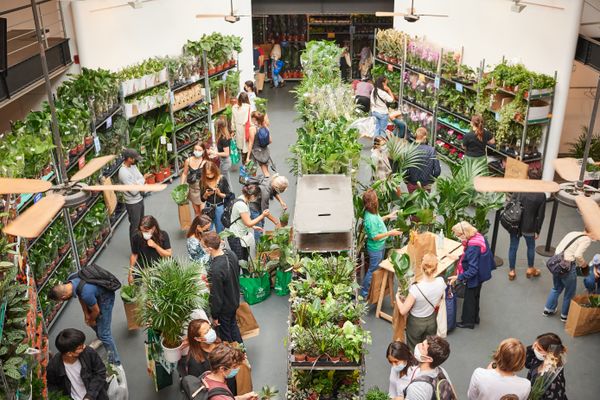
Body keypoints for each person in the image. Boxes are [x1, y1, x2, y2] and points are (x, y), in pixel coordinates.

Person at [49, 273, 121, 366]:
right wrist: (86, 314)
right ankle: (100, 337)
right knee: (91, 321)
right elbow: (80, 294)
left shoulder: (86, 293)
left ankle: (116, 362)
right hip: (94, 295)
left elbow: (96, 311)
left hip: (106, 298)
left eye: (60, 300)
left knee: (105, 334)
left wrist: (91, 319)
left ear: (63, 297)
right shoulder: (71, 279)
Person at [448, 221, 494, 329]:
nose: (457, 237)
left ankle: (467, 322)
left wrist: (458, 277)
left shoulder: (473, 247)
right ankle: (475, 318)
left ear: (464, 233)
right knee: (475, 296)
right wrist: (459, 257)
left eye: (458, 235)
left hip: (475, 277)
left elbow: (473, 269)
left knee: (469, 299)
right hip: (482, 273)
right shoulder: (478, 237)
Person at [395, 254, 446, 350]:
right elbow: (440, 299)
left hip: (415, 322)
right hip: (432, 320)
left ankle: (414, 364)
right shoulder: (441, 282)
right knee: (427, 348)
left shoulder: (416, 289)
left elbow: (403, 311)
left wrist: (397, 297)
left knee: (413, 348)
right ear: (435, 269)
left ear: (421, 267)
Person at [360, 189, 402, 298]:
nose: (377, 199)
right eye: (376, 198)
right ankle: (364, 293)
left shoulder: (371, 212)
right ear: (373, 202)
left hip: (379, 246)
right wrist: (390, 233)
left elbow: (377, 221)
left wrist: (387, 216)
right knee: (373, 270)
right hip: (375, 248)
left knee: (375, 268)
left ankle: (371, 290)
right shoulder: (369, 219)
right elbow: (374, 237)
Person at [544, 230, 593, 321]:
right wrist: (584, 265)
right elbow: (578, 255)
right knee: (570, 292)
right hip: (568, 267)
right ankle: (564, 315)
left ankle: (548, 309)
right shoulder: (586, 239)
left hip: (557, 263)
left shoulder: (573, 233)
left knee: (556, 288)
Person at [178, 319, 238, 394]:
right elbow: (199, 388)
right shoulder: (194, 363)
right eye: (206, 332)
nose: (211, 332)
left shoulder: (217, 341)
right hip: (217, 393)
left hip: (229, 385)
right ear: (198, 339)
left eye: (210, 328)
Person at [203, 232, 243, 343]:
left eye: (204, 247)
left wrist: (214, 316)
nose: (204, 249)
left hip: (224, 307)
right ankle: (241, 352)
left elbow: (216, 296)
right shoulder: (231, 254)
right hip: (234, 299)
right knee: (233, 327)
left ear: (210, 249)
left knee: (226, 334)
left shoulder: (215, 269)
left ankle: (231, 356)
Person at [47, 329, 108, 400]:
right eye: (80, 347)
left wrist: (89, 396)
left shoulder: (88, 352)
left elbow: (100, 372)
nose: (84, 346)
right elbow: (52, 385)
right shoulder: (54, 366)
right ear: (69, 353)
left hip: (97, 396)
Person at [507, 171, 547, 281]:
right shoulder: (541, 195)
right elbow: (541, 215)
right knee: (530, 247)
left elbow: (510, 204)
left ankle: (511, 271)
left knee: (513, 247)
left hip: (515, 224)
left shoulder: (520, 189)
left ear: (528, 178)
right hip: (530, 226)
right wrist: (538, 230)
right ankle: (530, 268)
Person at [118, 148, 150, 250]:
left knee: (141, 224)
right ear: (129, 159)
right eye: (134, 159)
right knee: (135, 227)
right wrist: (141, 180)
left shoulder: (133, 166)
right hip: (132, 204)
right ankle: (135, 250)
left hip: (139, 200)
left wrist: (138, 182)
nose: (136, 161)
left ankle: (141, 245)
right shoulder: (123, 173)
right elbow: (134, 191)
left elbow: (139, 177)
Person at [229, 184, 270, 261]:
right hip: (236, 237)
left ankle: (246, 273)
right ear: (252, 196)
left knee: (245, 259)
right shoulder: (241, 205)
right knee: (240, 261)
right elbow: (248, 223)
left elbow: (243, 219)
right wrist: (263, 215)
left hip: (242, 235)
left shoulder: (243, 199)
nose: (257, 198)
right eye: (257, 196)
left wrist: (253, 227)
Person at [129, 215, 172, 283]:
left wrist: (155, 246)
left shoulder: (163, 235)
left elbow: (168, 254)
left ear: (153, 228)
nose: (143, 234)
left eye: (146, 231)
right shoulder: (137, 237)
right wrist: (130, 274)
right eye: (142, 231)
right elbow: (134, 255)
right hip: (144, 270)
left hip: (161, 268)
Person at [525, 333, 568, 400]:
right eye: (535, 344)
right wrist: (535, 346)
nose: (534, 348)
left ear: (550, 353)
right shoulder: (539, 358)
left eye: (539, 349)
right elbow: (527, 362)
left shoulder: (554, 381)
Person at [248, 174, 289, 242]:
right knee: (259, 227)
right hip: (254, 205)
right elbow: (265, 211)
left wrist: (281, 201)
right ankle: (258, 247)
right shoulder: (266, 192)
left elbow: (274, 192)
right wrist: (276, 222)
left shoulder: (272, 179)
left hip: (260, 200)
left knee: (262, 222)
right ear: (276, 187)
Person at [405, 127, 441, 193]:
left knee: (412, 202)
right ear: (425, 137)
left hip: (412, 183)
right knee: (424, 202)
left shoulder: (409, 150)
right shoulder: (432, 150)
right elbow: (437, 171)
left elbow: (404, 169)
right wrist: (430, 181)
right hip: (426, 184)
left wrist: (407, 181)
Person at [202, 161, 232, 234]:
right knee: (207, 230)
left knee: (220, 231)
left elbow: (229, 195)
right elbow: (202, 199)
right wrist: (206, 194)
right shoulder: (203, 181)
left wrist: (219, 194)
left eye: (211, 173)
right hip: (208, 207)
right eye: (207, 174)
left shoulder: (222, 179)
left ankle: (220, 244)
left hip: (219, 207)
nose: (209, 176)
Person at [180, 142, 208, 216]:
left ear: (203, 151)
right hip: (192, 189)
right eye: (195, 149)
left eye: (199, 150)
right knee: (196, 211)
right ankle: (197, 226)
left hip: (202, 190)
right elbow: (184, 173)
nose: (197, 151)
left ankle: (204, 226)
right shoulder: (188, 161)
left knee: (203, 211)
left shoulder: (206, 162)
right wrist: (181, 185)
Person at [247, 111, 271, 178]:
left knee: (252, 173)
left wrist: (247, 157)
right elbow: (270, 141)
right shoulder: (265, 127)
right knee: (266, 172)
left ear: (254, 119)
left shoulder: (252, 129)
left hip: (255, 152)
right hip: (265, 151)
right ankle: (269, 185)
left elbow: (250, 143)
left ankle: (254, 186)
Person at [231, 93, 252, 161]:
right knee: (248, 146)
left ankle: (244, 163)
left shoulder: (234, 107)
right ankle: (248, 161)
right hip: (246, 129)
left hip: (238, 129)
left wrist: (233, 130)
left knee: (241, 147)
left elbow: (233, 121)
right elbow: (250, 120)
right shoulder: (248, 107)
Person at [212, 118, 232, 185]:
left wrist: (215, 153)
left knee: (225, 181)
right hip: (224, 161)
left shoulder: (223, 139)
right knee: (226, 178)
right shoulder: (224, 135)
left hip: (225, 162)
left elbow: (227, 153)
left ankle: (230, 194)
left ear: (218, 127)